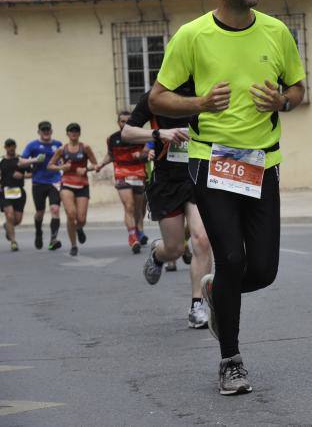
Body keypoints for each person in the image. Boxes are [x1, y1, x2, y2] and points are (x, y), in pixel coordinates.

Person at [149, 0, 306, 395]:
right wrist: (198, 103)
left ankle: (218, 291)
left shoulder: (277, 32)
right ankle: (231, 360)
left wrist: (283, 101)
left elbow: (297, 88)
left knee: (263, 268)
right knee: (232, 256)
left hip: (264, 164)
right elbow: (158, 98)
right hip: (212, 161)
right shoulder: (192, 36)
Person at [121, 83, 214, 329]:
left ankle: (198, 305)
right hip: (167, 182)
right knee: (174, 249)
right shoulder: (154, 97)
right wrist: (159, 134)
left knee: (202, 239)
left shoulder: (206, 90)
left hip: (198, 175)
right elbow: (127, 133)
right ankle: (158, 254)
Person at [96, 112, 150, 253]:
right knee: (129, 206)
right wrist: (101, 164)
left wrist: (141, 155)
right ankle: (132, 237)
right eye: (122, 121)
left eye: (127, 121)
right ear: (118, 122)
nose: (124, 124)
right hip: (121, 174)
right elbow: (111, 155)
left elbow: (148, 153)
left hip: (139, 175)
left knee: (139, 209)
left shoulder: (140, 136)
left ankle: (138, 229)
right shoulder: (112, 138)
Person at [47, 123, 99, 256]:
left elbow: (96, 165)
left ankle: (79, 228)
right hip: (67, 184)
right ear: (67, 134)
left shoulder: (85, 147)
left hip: (82, 184)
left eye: (76, 131)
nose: (74, 133)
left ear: (79, 133)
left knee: (81, 219)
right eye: (71, 131)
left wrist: (86, 169)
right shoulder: (62, 149)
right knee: (71, 214)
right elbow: (50, 165)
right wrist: (61, 168)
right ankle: (74, 245)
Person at [21, 121, 63, 250]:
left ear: (51, 131)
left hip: (55, 182)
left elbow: (64, 159)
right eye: (43, 130)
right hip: (38, 183)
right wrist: (34, 160)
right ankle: (38, 232)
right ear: (39, 132)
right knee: (40, 212)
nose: (46, 132)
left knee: (55, 210)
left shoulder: (58, 145)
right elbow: (21, 162)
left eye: (48, 130)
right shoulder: (32, 146)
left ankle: (53, 239)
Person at [1, 139, 34, 252]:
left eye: (13, 146)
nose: (11, 148)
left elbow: (31, 173)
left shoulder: (21, 160)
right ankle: (13, 242)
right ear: (5, 147)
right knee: (10, 215)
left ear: (15, 147)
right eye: (9, 146)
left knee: (17, 220)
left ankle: (7, 226)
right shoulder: (1, 161)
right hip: (5, 192)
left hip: (19, 193)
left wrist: (22, 176)